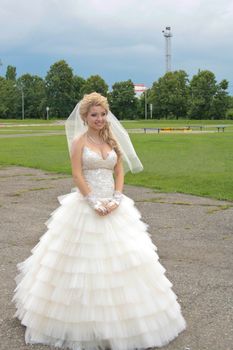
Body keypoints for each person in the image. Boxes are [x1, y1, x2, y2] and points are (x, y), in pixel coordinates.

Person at [12, 92, 187, 350]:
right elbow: (76, 174)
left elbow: (118, 169)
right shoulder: (79, 142)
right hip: (87, 205)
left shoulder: (112, 140)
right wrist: (93, 201)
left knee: (127, 262)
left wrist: (117, 197)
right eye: (94, 115)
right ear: (85, 117)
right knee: (81, 266)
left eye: (103, 114)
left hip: (115, 205)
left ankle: (128, 322)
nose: (100, 119)